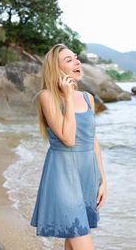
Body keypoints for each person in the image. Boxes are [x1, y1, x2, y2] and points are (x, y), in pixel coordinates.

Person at [30, 44, 107, 250]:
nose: (77, 61)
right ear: (57, 69)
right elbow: (69, 139)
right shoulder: (47, 97)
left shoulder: (88, 98)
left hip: (87, 175)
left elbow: (92, 140)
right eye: (69, 60)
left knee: (73, 243)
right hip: (63, 177)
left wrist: (103, 180)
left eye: (76, 58)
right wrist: (67, 97)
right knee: (80, 238)